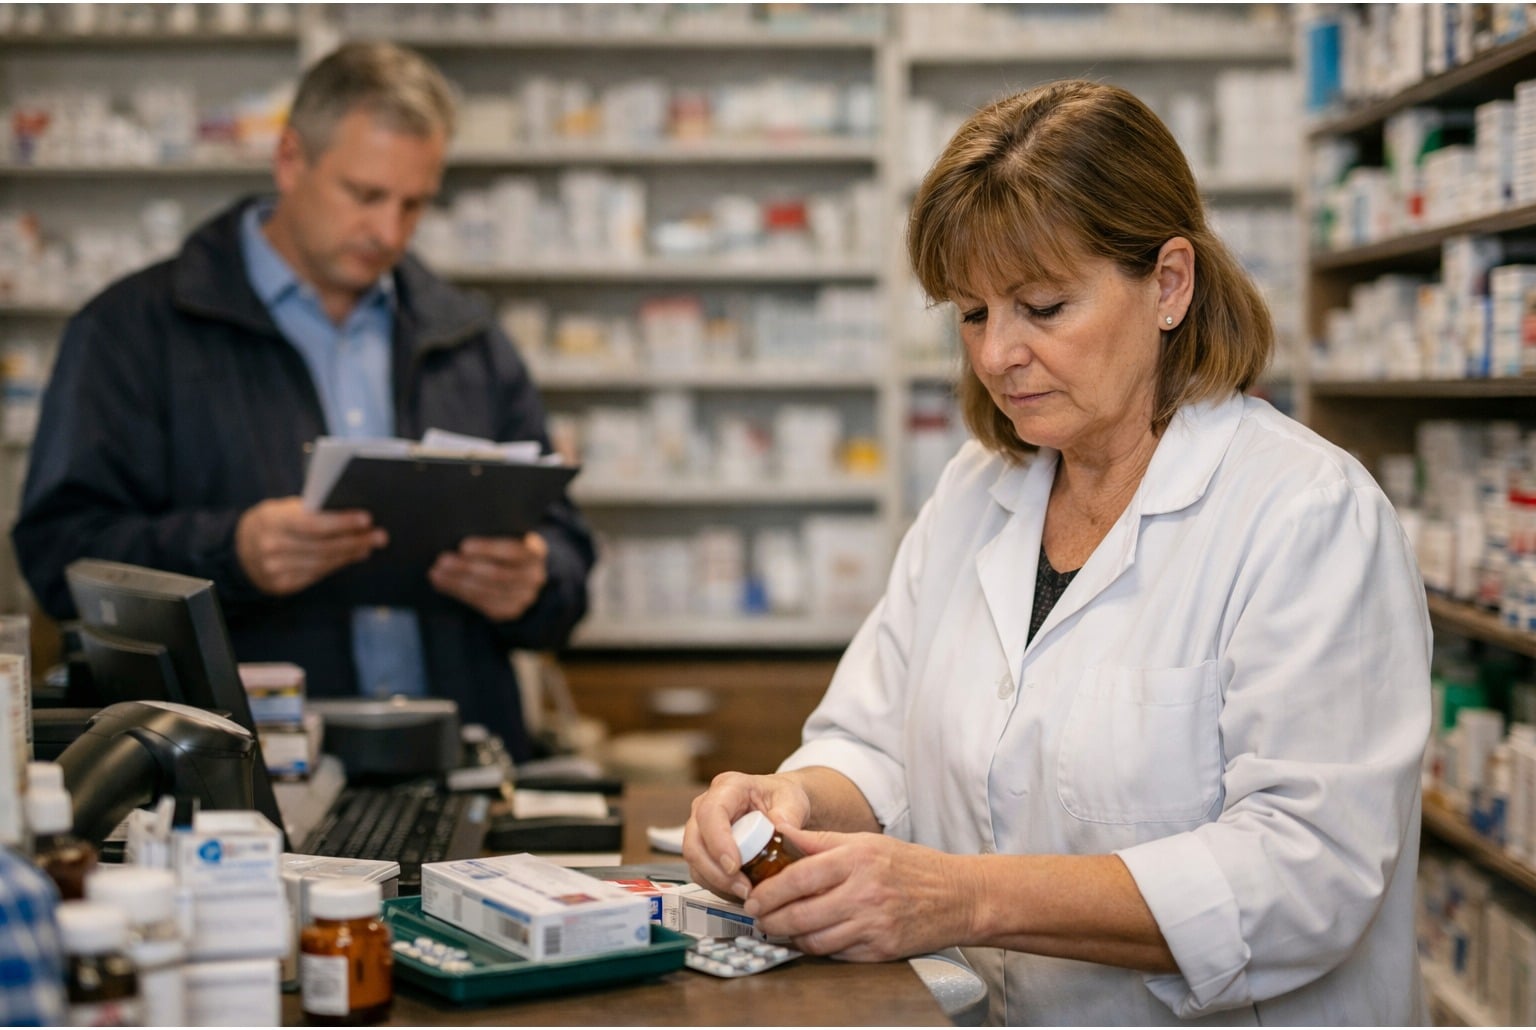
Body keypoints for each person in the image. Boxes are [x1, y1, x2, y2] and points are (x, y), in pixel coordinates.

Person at [684, 80, 1431, 1025]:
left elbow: (1308, 871)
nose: (998, 354)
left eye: (1042, 306)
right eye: (972, 312)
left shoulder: (1306, 516)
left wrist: (966, 897)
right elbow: (875, 747)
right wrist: (785, 802)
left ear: (1169, 284)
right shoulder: (974, 490)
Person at [12, 41, 595, 762]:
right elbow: (58, 559)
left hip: (455, 774)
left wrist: (533, 582)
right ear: (291, 160)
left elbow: (568, 566)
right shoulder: (135, 330)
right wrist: (231, 554)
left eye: (414, 204)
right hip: (240, 794)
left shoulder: (467, 338)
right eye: (365, 194)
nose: (390, 232)